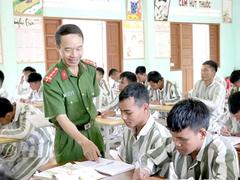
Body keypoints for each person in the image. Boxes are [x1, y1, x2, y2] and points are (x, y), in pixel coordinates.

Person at [43, 24, 104, 164]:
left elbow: (92, 101)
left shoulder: (90, 70)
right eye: (68, 50)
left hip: (94, 133)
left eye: (79, 48)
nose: (74, 55)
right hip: (69, 139)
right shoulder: (52, 80)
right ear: (58, 48)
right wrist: (84, 142)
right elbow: (61, 117)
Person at [133, 98, 239, 180]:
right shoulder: (175, 141)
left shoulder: (222, 151)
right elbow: (150, 157)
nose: (176, 143)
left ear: (202, 133)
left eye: (182, 139)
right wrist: (144, 169)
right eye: (173, 136)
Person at [118, 83, 170, 174]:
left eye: (128, 112)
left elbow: (164, 176)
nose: (123, 117)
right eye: (121, 111)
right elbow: (124, 162)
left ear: (145, 108)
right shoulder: (128, 130)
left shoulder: (160, 136)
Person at [0, 97, 52, 180]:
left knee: (13, 177)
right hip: (23, 147)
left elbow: (23, 133)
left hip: (38, 148)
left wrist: (1, 133)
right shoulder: (10, 112)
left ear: (8, 115)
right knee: (3, 171)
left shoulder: (26, 112)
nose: (1, 124)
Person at [188, 60, 226, 132]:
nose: (202, 73)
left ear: (213, 73)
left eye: (205, 70)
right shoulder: (198, 83)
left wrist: (197, 99)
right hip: (200, 116)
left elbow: (214, 106)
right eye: (201, 70)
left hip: (214, 118)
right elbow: (193, 101)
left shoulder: (219, 88)